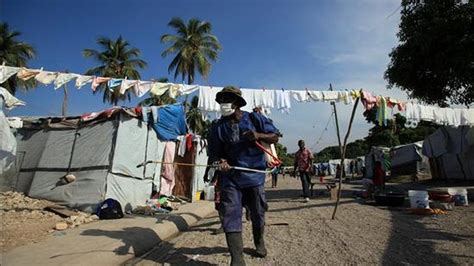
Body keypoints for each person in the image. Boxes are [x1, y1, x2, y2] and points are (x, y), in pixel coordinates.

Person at [208, 86, 280, 265]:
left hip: (254, 175)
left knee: (257, 212)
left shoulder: (254, 118)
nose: (224, 103)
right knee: (230, 213)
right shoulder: (217, 127)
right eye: (222, 99)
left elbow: (275, 136)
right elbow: (215, 154)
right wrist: (220, 161)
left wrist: (258, 135)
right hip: (231, 177)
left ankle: (259, 242)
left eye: (228, 99)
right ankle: (237, 259)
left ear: (237, 103)